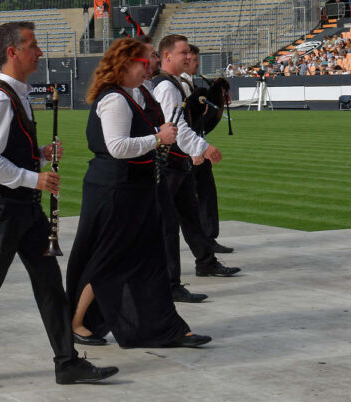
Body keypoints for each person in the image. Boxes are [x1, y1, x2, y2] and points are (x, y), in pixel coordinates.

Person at [0, 22, 118, 387]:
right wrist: (33, 177)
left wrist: (36, 155)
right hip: (4, 208)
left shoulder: (17, 94)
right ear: (13, 52)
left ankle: (66, 361)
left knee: (49, 283)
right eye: (33, 46)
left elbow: (6, 148)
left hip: (24, 207)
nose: (39, 52)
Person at [65, 38, 211, 349]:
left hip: (135, 186)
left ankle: (165, 328)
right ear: (129, 63)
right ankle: (76, 321)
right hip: (116, 189)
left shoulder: (137, 93)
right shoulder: (116, 99)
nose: (153, 65)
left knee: (147, 258)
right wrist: (158, 139)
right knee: (108, 256)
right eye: (147, 61)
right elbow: (117, 147)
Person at [153, 35, 238, 303]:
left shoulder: (174, 84)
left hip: (178, 161)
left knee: (189, 213)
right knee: (167, 225)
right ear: (167, 56)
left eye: (190, 53)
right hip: (169, 163)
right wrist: (201, 148)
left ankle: (205, 261)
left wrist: (194, 150)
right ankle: (170, 282)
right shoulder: (167, 87)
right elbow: (174, 128)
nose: (190, 57)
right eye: (184, 53)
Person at [184, 44, 234, 255]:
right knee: (180, 200)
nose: (197, 64)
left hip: (196, 144)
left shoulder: (189, 85)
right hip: (186, 149)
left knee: (205, 192)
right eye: (195, 60)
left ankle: (208, 242)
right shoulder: (174, 86)